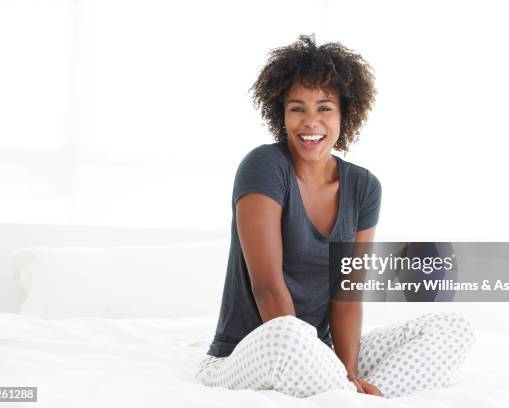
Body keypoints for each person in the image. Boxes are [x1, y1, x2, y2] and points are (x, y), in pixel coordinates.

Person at [195, 34, 475, 399]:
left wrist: (347, 371)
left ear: (345, 113)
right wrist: (333, 372)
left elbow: (347, 296)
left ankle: (353, 397)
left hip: (320, 359)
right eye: (297, 108)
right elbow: (267, 285)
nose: (310, 122)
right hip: (252, 352)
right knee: (289, 334)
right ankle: (346, 395)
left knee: (453, 328)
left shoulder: (363, 186)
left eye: (324, 108)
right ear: (281, 114)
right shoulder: (264, 166)